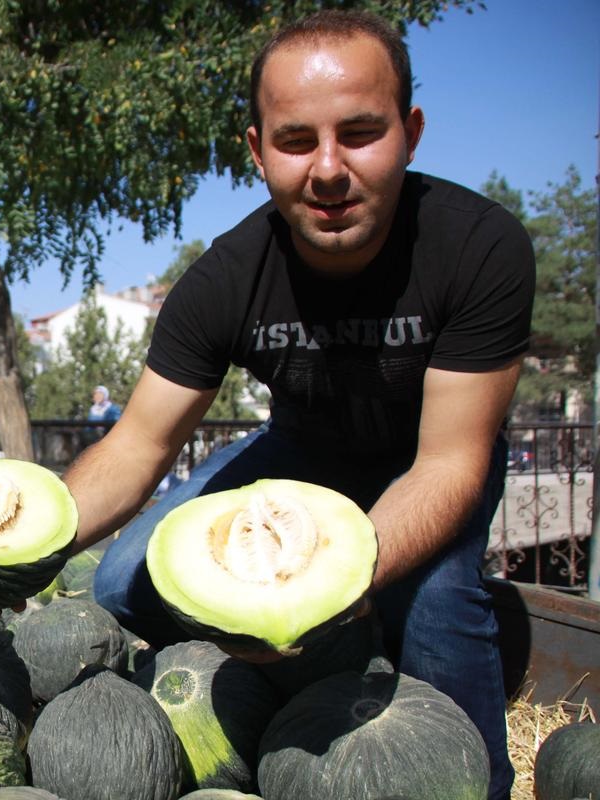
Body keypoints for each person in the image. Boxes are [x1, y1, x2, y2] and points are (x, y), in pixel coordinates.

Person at [61, 11, 533, 800]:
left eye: (360, 132)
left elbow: (451, 460)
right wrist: (15, 552)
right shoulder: (225, 281)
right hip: (300, 454)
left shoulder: (481, 246)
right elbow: (136, 446)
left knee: (437, 603)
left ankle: (480, 779)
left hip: (429, 458)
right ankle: (312, 688)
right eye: (294, 140)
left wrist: (331, 586)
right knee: (119, 583)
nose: (327, 169)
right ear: (256, 150)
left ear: (411, 133)